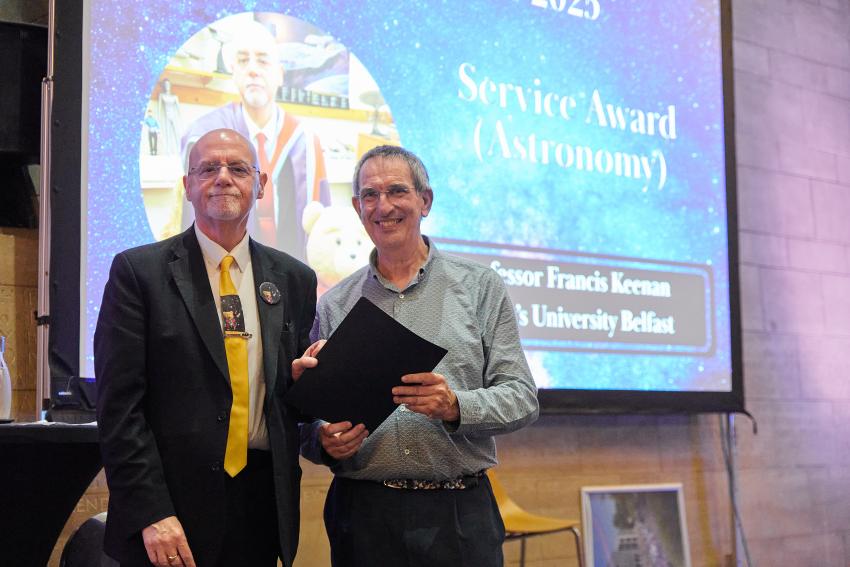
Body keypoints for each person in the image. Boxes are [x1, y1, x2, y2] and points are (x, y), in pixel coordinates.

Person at [299, 145, 539, 566]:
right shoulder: (334, 304)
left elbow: (522, 397)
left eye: (397, 191)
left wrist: (455, 405)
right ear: (357, 208)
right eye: (370, 195)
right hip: (363, 516)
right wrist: (322, 439)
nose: (383, 206)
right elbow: (306, 418)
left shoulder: (480, 287)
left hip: (459, 513)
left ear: (425, 201)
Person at [96, 128, 318, 567]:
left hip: (260, 507)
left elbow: (287, 399)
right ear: (187, 185)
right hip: (169, 512)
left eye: (238, 168)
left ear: (260, 185)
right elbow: (119, 409)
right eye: (208, 168)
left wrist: (312, 384)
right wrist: (151, 511)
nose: (223, 177)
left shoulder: (295, 279)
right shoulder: (139, 273)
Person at [179, 19, 330, 261]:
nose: (252, 69)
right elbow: (190, 224)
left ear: (280, 74)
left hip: (291, 272)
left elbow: (323, 230)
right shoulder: (203, 139)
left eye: (262, 60)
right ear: (234, 72)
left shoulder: (307, 142)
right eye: (242, 60)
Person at [157, 78, 182, 155]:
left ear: (170, 85)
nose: (167, 86)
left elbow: (179, 109)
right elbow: (159, 108)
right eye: (165, 85)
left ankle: (180, 150)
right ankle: (168, 151)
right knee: (167, 134)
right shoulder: (161, 96)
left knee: (176, 133)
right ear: (163, 86)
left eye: (168, 84)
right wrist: (158, 119)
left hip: (174, 116)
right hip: (166, 116)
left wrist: (181, 118)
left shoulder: (174, 97)